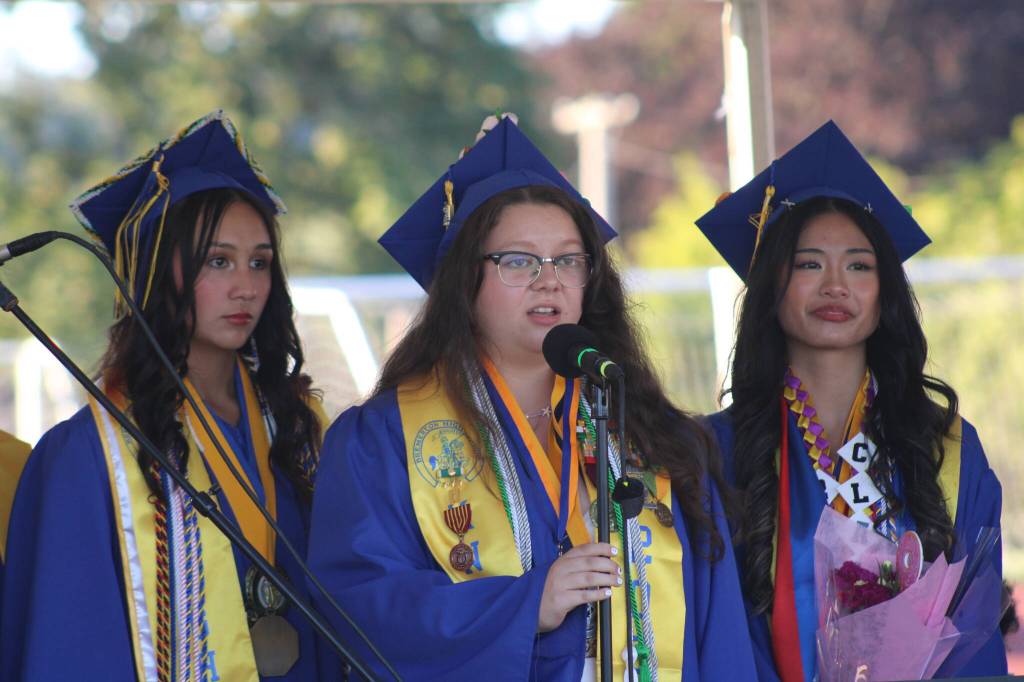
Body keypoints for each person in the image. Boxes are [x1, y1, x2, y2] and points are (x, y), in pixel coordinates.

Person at [307, 115, 756, 680]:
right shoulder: (382, 440)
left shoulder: (650, 436)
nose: (550, 280)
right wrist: (526, 605)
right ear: (462, 281)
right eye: (518, 261)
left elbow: (719, 636)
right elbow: (359, 609)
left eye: (569, 260)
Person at [0, 111, 333, 680]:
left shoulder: (299, 427)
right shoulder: (87, 458)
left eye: (259, 262)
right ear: (154, 275)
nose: (246, 286)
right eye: (217, 261)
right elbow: (71, 646)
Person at [696, 120, 1006, 680]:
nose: (835, 285)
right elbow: (711, 634)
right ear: (772, 285)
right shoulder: (714, 452)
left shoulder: (947, 449)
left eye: (860, 265)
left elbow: (973, 633)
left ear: (884, 290)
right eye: (809, 263)